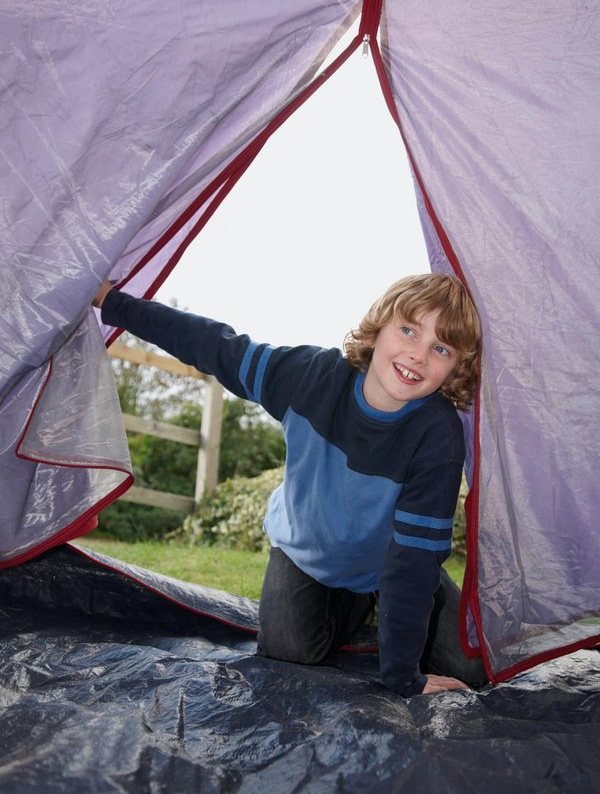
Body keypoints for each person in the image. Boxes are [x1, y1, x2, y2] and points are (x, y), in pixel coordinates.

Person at [93, 273, 487, 697]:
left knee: (473, 669)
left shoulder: (438, 436)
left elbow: (412, 563)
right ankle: (355, 606)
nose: (418, 354)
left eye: (440, 348)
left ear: (455, 368)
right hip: (306, 554)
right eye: (408, 329)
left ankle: (375, 601)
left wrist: (403, 678)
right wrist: (113, 302)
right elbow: (213, 345)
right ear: (379, 327)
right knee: (288, 650)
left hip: (387, 566)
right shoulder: (309, 377)